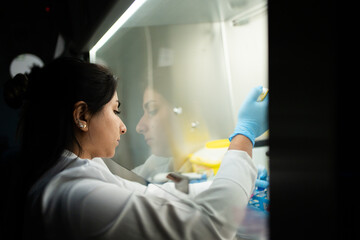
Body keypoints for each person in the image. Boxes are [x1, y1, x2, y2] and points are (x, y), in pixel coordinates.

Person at [14, 57, 268, 239]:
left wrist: (225, 185)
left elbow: (150, 197)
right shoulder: (75, 197)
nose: (125, 127)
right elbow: (210, 228)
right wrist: (244, 134)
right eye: (115, 111)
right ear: (81, 115)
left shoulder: (78, 169)